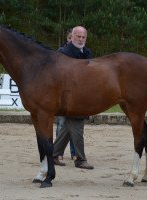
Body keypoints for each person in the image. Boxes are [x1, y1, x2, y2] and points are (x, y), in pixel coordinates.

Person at [53, 26, 94, 169]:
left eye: (83, 37)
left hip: (82, 95)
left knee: (67, 128)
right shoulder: (64, 53)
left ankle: (53, 155)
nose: (81, 40)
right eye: (78, 37)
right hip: (68, 97)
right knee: (76, 124)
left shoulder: (87, 52)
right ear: (72, 36)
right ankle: (80, 159)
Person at [56, 28, 76, 161]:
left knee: (75, 125)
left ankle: (74, 152)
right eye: (69, 38)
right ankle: (59, 151)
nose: (70, 40)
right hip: (63, 93)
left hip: (76, 92)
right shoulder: (60, 53)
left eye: (72, 38)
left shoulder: (83, 52)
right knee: (61, 124)